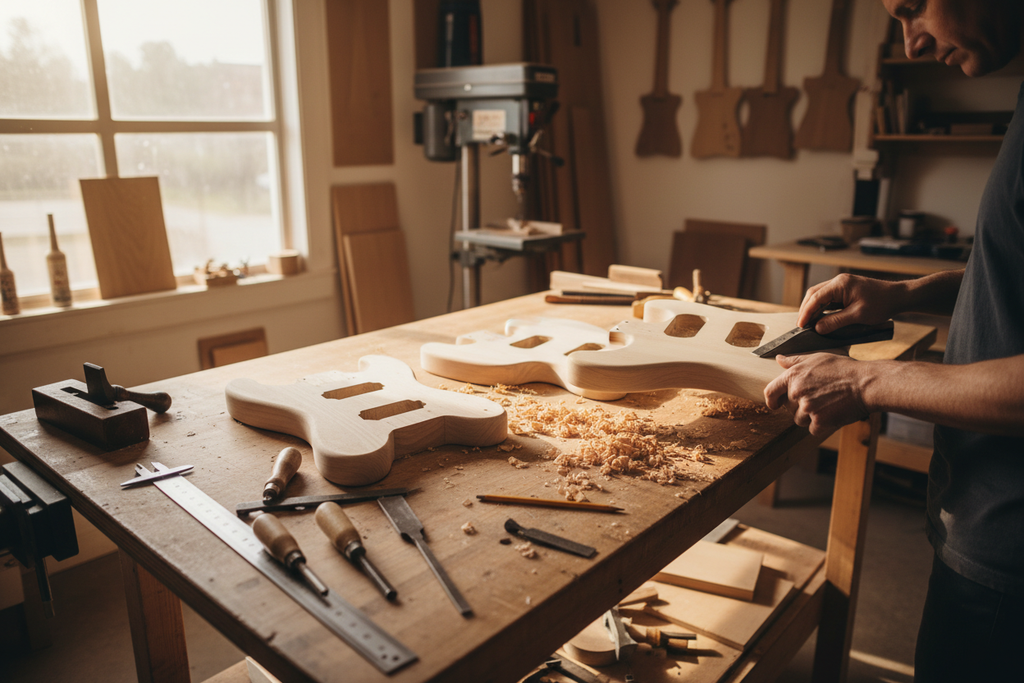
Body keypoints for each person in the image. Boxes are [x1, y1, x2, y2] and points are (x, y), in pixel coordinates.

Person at [763, 1, 1024, 681]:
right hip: (980, 506)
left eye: (912, 8)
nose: (908, 44)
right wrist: (903, 294)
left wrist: (865, 381)